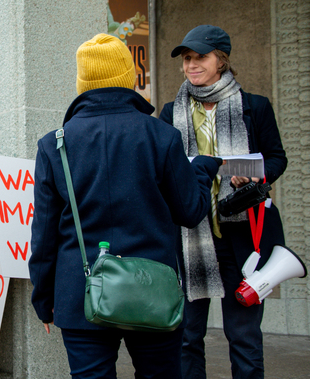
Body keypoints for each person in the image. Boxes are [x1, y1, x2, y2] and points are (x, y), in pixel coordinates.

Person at [28, 33, 223, 379]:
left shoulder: (54, 144)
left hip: (80, 294)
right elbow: (190, 213)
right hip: (153, 292)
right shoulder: (162, 136)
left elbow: (43, 237)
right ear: (128, 78)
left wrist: (44, 300)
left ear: (82, 83)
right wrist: (202, 170)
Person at [159, 25, 287, 379]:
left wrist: (257, 175)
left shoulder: (254, 107)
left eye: (200, 57)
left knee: (244, 336)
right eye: (187, 58)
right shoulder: (170, 113)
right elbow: (163, 169)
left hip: (244, 235)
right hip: (191, 236)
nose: (191, 65)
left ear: (222, 60)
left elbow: (277, 157)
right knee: (187, 335)